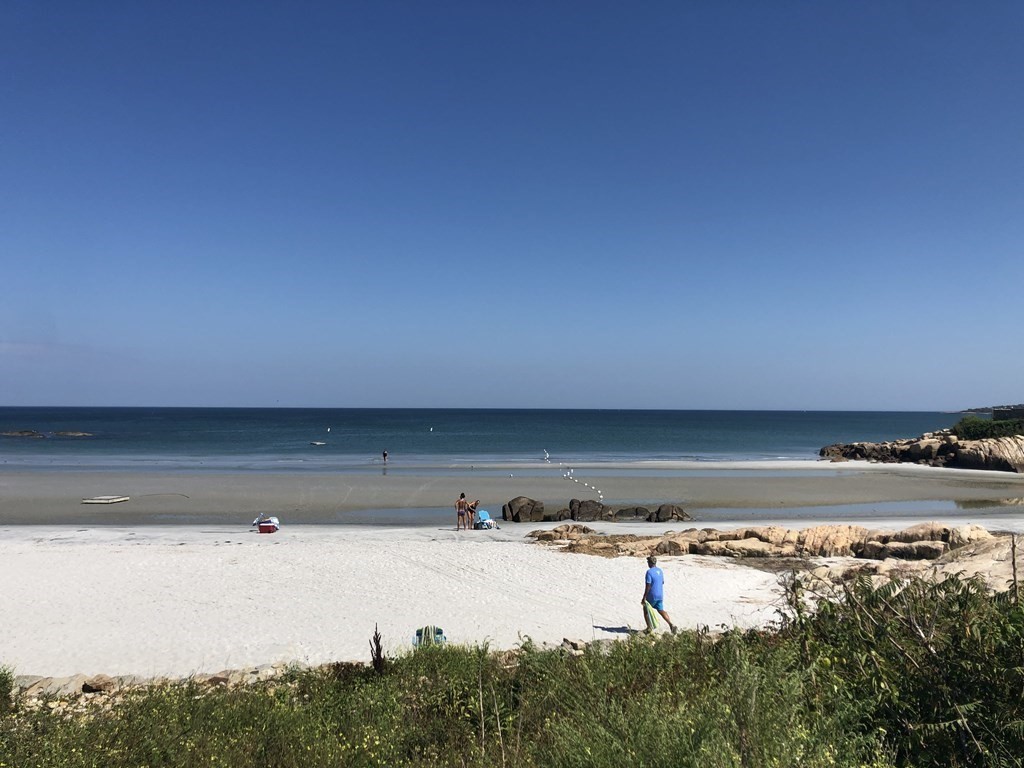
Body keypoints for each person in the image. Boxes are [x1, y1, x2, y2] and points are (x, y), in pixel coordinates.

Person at [642, 555, 677, 634]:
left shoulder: (649, 572)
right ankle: (671, 624)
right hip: (660, 595)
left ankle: (649, 628)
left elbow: (648, 585)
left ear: (650, 563)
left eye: (648, 562)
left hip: (652, 595)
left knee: (646, 609)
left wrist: (644, 597)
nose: (647, 563)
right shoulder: (660, 571)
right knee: (660, 610)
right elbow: (662, 582)